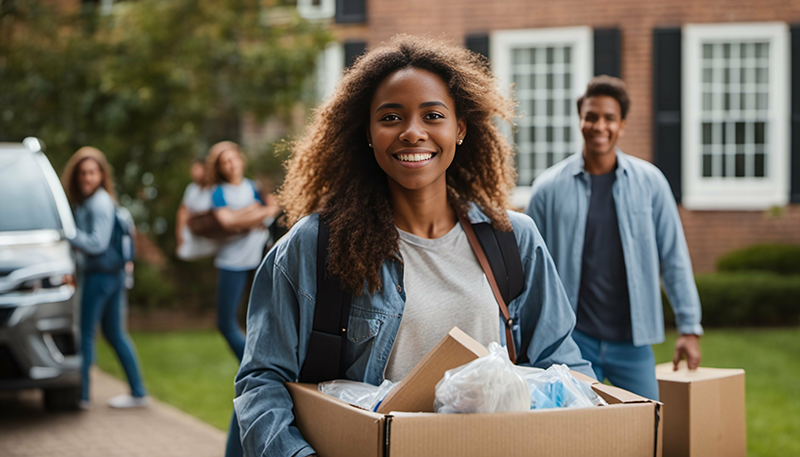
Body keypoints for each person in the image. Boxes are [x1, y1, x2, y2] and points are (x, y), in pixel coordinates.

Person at [234, 35, 593, 457]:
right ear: (367, 132)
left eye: (433, 115)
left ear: (459, 128)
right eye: (391, 117)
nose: (412, 132)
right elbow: (262, 382)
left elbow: (563, 368)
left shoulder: (514, 239)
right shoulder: (315, 247)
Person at [525, 76, 703, 401]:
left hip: (632, 341)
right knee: (574, 437)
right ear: (580, 120)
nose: (599, 125)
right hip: (571, 340)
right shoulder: (547, 189)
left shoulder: (651, 183)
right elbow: (527, 269)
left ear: (622, 124)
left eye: (609, 118)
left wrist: (689, 328)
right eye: (591, 116)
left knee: (644, 432)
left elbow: (673, 257)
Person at [205, 141, 278, 457]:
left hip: (257, 260)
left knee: (257, 322)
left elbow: (274, 208)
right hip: (231, 263)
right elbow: (227, 223)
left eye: (234, 157)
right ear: (219, 167)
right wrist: (253, 215)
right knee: (225, 323)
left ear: (240, 160)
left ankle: (251, 362)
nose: (231, 164)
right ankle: (249, 361)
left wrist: (246, 215)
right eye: (224, 160)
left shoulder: (254, 187)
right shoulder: (219, 192)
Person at [61, 147, 147, 409]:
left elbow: (96, 244)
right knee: (114, 334)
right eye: (83, 173)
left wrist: (66, 234)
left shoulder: (97, 202)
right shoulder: (101, 201)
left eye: (92, 172)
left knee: (86, 334)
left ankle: (82, 395)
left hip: (100, 277)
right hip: (114, 276)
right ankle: (138, 391)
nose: (87, 178)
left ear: (101, 175)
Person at [175, 158, 219, 261]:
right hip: (193, 233)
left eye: (197, 169)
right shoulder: (191, 189)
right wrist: (179, 233)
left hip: (211, 236)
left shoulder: (215, 189)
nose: (194, 173)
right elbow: (183, 211)